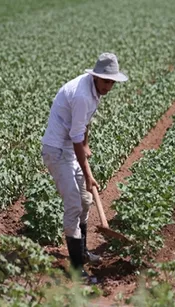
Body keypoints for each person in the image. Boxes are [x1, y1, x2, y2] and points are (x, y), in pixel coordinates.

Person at [41, 53, 128, 277]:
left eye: (112, 82)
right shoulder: (82, 96)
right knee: (73, 204)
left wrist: (86, 144)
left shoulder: (95, 90)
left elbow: (84, 125)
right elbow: (76, 135)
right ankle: (77, 267)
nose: (109, 86)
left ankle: (82, 252)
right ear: (96, 77)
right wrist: (88, 173)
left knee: (85, 201)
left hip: (71, 147)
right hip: (57, 150)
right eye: (106, 81)